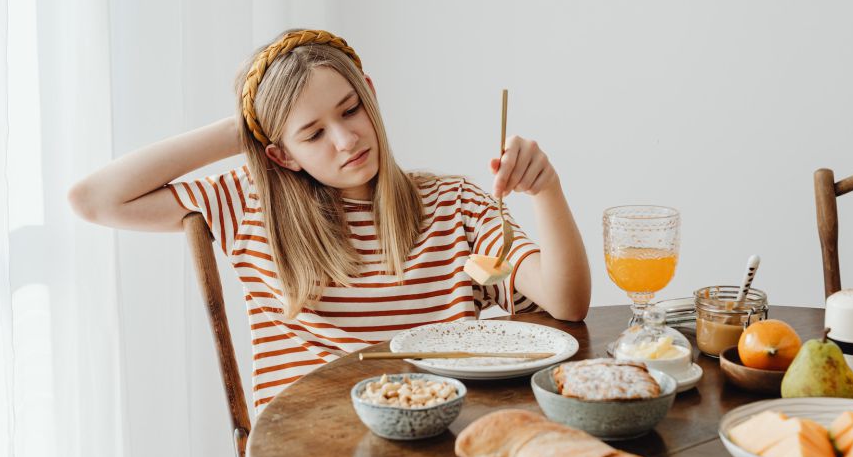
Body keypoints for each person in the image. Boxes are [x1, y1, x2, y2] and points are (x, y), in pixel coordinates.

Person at [69, 29, 590, 413]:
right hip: (307, 453)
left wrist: (546, 191)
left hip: (437, 444)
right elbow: (94, 199)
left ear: (369, 92)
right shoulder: (251, 208)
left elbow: (567, 303)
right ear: (281, 156)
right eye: (312, 134)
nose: (346, 140)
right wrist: (244, 128)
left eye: (349, 109)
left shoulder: (455, 204)